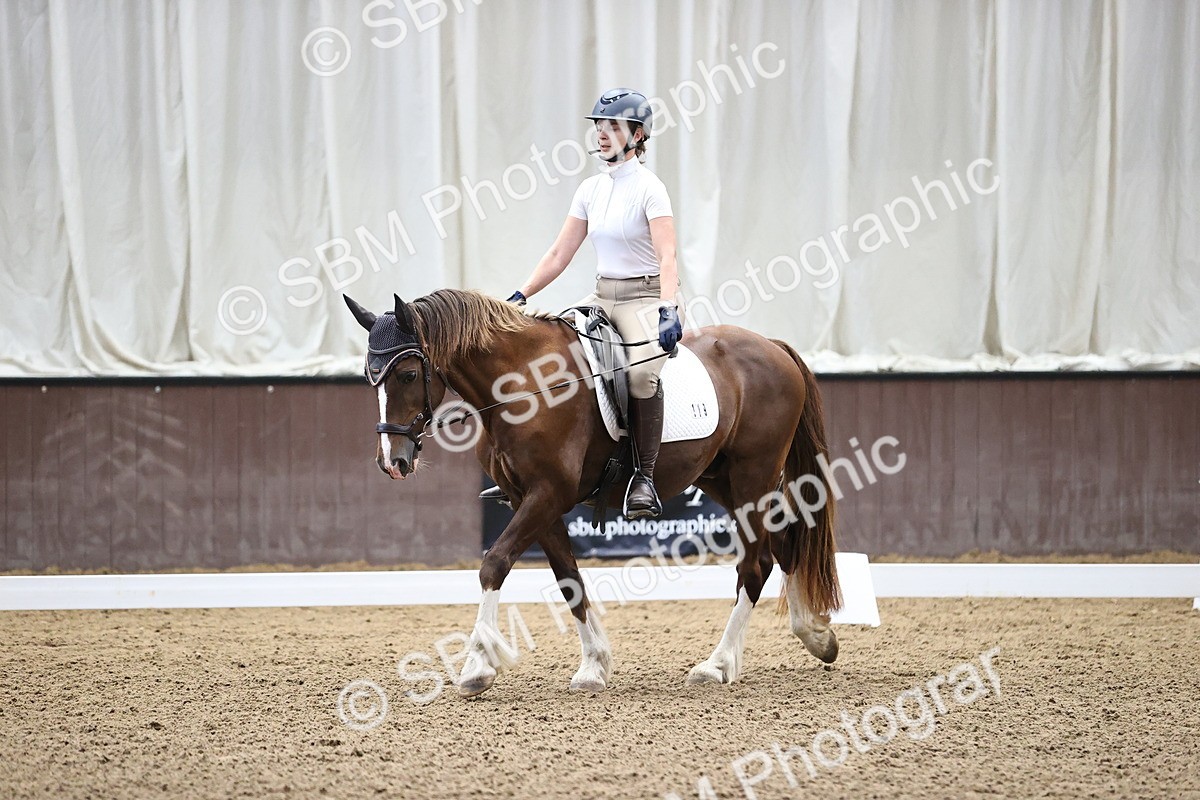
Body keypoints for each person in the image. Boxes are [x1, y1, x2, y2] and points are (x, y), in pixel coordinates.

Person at [504, 88, 682, 519]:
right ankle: (531, 468)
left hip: (643, 297)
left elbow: (667, 256)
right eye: (599, 126)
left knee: (640, 376)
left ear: (637, 135)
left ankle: (644, 477)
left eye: (613, 126)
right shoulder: (590, 189)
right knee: (546, 348)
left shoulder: (651, 189)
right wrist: (521, 294)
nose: (602, 134)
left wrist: (668, 307)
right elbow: (559, 255)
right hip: (602, 293)